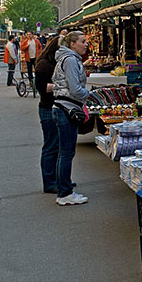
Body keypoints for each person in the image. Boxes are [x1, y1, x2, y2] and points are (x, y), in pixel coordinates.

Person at [51, 31, 90, 205]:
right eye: (82, 41)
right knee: (67, 152)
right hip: (67, 108)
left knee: (64, 152)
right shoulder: (72, 60)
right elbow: (75, 89)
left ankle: (63, 189)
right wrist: (89, 94)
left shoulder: (65, 59)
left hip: (63, 108)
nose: (86, 44)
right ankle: (65, 193)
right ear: (72, 44)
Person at [34, 36, 62, 194]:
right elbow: (41, 87)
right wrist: (62, 86)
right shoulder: (44, 64)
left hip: (55, 107)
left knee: (57, 146)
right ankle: (49, 182)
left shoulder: (54, 63)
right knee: (51, 146)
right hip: (48, 108)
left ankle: (58, 179)